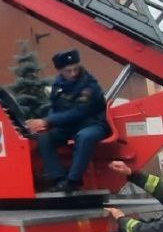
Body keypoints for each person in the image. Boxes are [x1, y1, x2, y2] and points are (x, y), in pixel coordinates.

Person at [24, 49, 109, 192]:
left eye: (75, 69)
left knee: (84, 137)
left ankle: (73, 181)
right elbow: (55, 108)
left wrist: (47, 121)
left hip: (92, 124)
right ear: (60, 71)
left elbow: (80, 112)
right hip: (69, 127)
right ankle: (59, 179)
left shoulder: (89, 86)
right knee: (44, 138)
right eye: (68, 71)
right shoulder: (58, 86)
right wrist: (42, 124)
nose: (73, 73)